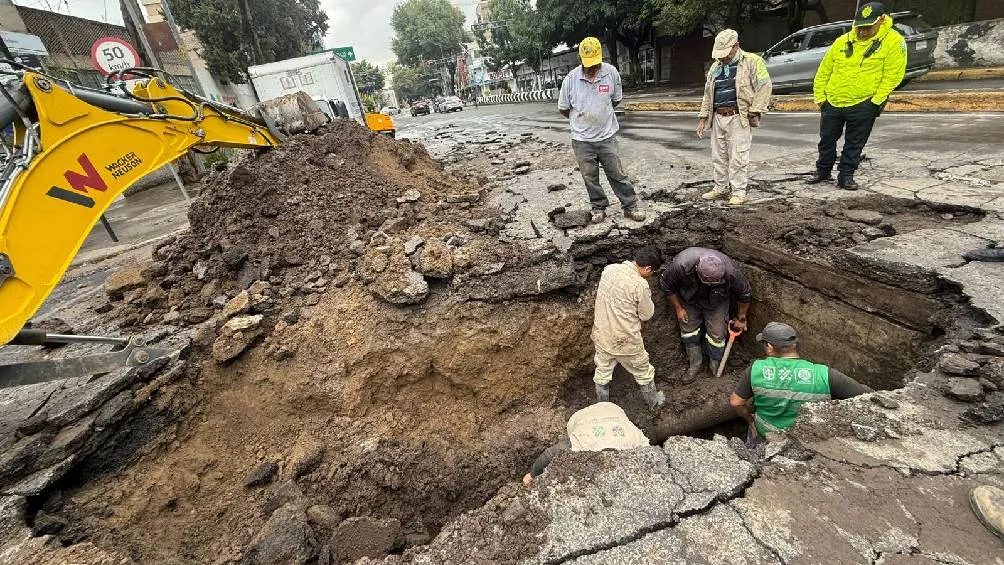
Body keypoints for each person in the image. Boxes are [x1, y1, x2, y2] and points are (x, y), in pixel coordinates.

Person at [807, 2, 907, 190]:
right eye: (859, 27)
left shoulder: (894, 41)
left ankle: (846, 175)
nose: (862, 32)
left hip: (863, 103)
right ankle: (823, 170)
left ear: (882, 20)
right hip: (833, 102)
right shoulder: (842, 41)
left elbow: (893, 75)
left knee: (854, 144)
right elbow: (824, 70)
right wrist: (820, 97)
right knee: (826, 140)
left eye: (867, 27)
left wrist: (875, 101)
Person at [730, 322, 872, 442]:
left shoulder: (755, 370)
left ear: (770, 347)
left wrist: (750, 420)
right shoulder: (824, 374)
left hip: (765, 433)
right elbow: (865, 394)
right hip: (805, 440)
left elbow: (736, 402)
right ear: (795, 345)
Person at [558, 36, 645, 225]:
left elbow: (615, 100)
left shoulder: (611, 73)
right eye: (588, 64)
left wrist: (601, 115)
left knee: (617, 173)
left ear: (600, 58)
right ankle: (598, 208)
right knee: (590, 177)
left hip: (607, 136)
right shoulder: (571, 79)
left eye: (595, 64)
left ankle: (630, 206)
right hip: (582, 140)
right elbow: (563, 108)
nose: (592, 68)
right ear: (581, 59)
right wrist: (581, 121)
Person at [697, 29, 773, 207]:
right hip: (718, 116)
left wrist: (755, 111)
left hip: (738, 116)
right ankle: (720, 187)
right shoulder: (715, 67)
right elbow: (707, 94)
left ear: (736, 46)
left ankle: (738, 191)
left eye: (726, 53)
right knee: (718, 156)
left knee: (738, 157)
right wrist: (703, 118)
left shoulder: (753, 62)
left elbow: (764, 86)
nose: (723, 57)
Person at [660, 248, 751, 381]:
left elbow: (745, 294)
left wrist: (741, 317)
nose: (709, 284)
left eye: (713, 282)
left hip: (717, 300)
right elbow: (666, 286)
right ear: (697, 270)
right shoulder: (681, 265)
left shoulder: (732, 272)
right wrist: (678, 308)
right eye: (707, 282)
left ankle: (715, 368)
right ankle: (695, 364)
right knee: (688, 329)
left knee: (717, 333)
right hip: (689, 297)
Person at [592, 247, 665, 410]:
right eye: (652, 272)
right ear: (648, 268)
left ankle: (602, 407)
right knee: (644, 372)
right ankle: (654, 405)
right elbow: (646, 315)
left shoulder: (609, 270)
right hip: (625, 340)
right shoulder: (640, 285)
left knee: (602, 371)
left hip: (602, 334)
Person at [522, 401, 649, 485]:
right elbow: (549, 454)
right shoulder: (581, 441)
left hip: (613, 410)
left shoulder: (635, 439)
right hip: (582, 417)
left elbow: (650, 458)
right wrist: (532, 475)